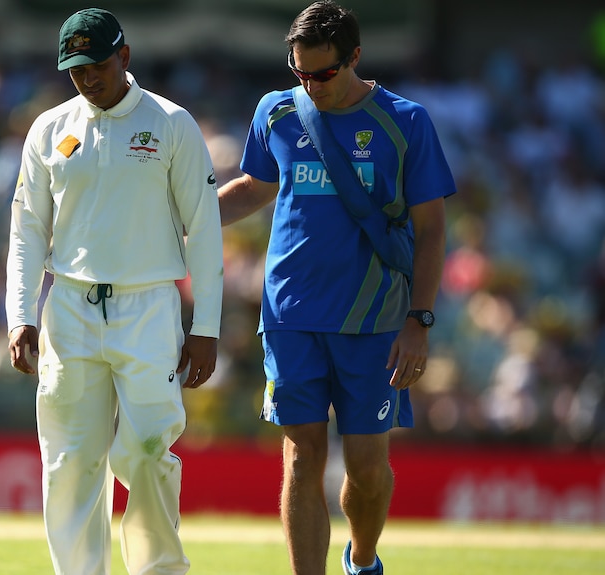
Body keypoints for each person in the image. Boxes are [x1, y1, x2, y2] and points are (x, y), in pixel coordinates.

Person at [217, 2, 456, 574]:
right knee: (301, 457)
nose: (311, 86)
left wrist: (419, 322)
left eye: (324, 74)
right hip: (290, 314)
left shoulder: (407, 121)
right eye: (300, 73)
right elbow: (255, 187)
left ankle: (363, 559)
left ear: (354, 57)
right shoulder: (275, 112)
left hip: (373, 321)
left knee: (367, 468)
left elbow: (431, 231)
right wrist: (182, 223)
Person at [4, 8, 223, 575]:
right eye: (75, 70)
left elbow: (203, 231)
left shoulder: (172, 124)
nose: (87, 79)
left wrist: (206, 328)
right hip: (70, 308)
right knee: (70, 463)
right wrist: (19, 313)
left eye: (97, 65)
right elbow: (27, 228)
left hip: (149, 306)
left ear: (124, 57)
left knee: (149, 450)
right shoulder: (50, 128)